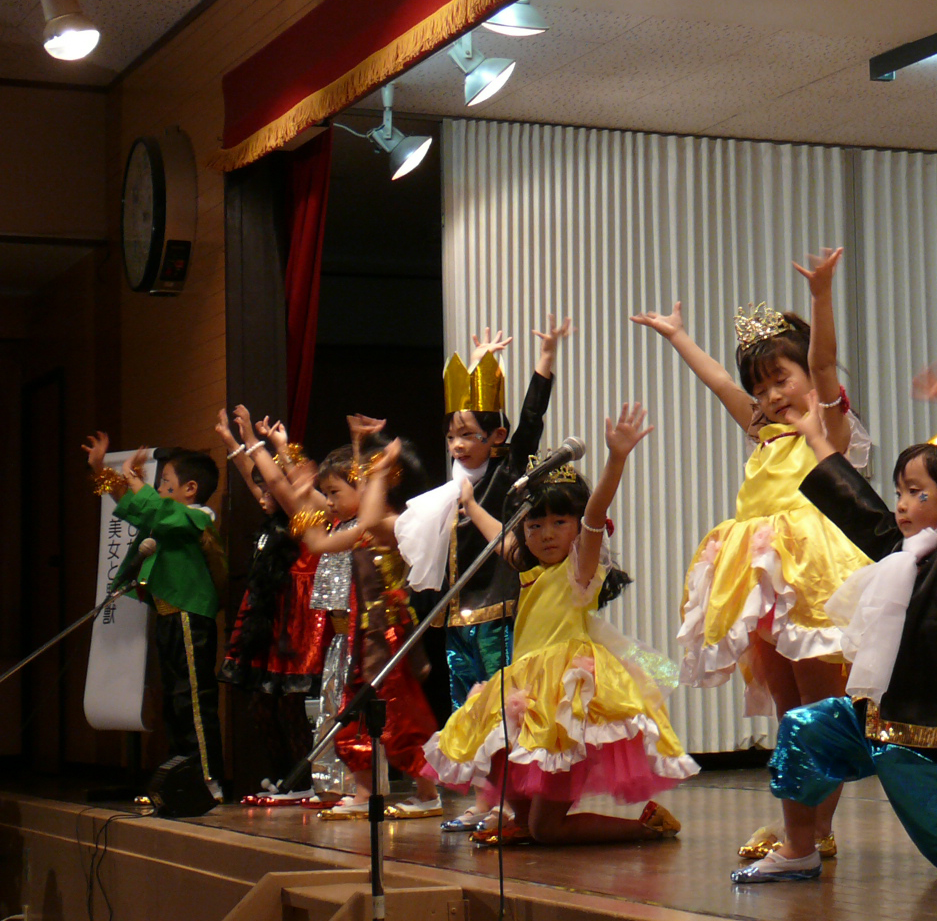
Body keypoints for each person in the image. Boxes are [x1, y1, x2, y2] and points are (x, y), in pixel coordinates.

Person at [732, 366, 937, 883]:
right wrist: (815, 437)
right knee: (803, 729)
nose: (902, 504)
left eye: (918, 493)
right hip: (872, 721)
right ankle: (800, 849)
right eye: (900, 491)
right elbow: (854, 501)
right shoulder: (899, 553)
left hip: (930, 739)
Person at [636, 250, 869, 861]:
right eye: (760, 386)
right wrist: (680, 337)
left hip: (813, 576)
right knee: (790, 712)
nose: (770, 395)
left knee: (821, 710)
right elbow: (719, 381)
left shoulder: (828, 426)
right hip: (762, 579)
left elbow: (823, 362)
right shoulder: (762, 429)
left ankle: (817, 829)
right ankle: (800, 826)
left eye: (781, 379)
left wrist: (821, 295)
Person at [426, 403, 696, 846]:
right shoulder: (529, 571)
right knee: (516, 794)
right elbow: (500, 538)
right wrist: (471, 504)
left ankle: (647, 827)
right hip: (525, 685)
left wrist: (616, 459)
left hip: (561, 691)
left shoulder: (579, 570)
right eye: (535, 525)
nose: (547, 533)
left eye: (559, 522)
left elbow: (595, 515)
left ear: (575, 526)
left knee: (545, 829)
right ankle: (527, 825)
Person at [393, 318, 567, 833]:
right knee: (466, 710)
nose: (457, 445)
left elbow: (531, 422)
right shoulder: (450, 489)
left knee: (502, 709)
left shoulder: (505, 477)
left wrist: (545, 361)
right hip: (456, 613)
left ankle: (508, 800)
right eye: (452, 436)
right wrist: (475, 369)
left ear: (497, 437)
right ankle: (482, 798)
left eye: (469, 435)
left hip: (496, 608)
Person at [255, 425, 444, 820]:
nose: (329, 502)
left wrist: (373, 464)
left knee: (401, 716)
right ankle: (363, 792)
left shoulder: (391, 526)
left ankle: (428, 793)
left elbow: (366, 513)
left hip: (388, 636)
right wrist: (304, 490)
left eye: (335, 493)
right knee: (352, 716)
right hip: (362, 638)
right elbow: (317, 543)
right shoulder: (359, 530)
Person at [85, 436, 228, 796]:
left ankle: (209, 779)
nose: (159, 488)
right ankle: (181, 778)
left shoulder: (196, 517)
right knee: (174, 703)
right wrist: (102, 470)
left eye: (165, 482)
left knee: (193, 698)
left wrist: (132, 478)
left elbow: (154, 509)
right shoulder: (168, 517)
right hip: (169, 615)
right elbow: (139, 507)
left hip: (190, 615)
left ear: (190, 489)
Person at [214, 408, 322, 798]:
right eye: (260, 492)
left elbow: (275, 479)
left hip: (293, 619)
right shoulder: (271, 512)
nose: (262, 497)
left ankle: (302, 782)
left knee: (288, 703)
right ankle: (280, 776)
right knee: (261, 703)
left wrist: (255, 442)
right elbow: (256, 477)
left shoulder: (302, 519)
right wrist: (233, 441)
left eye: (268, 492)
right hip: (266, 613)